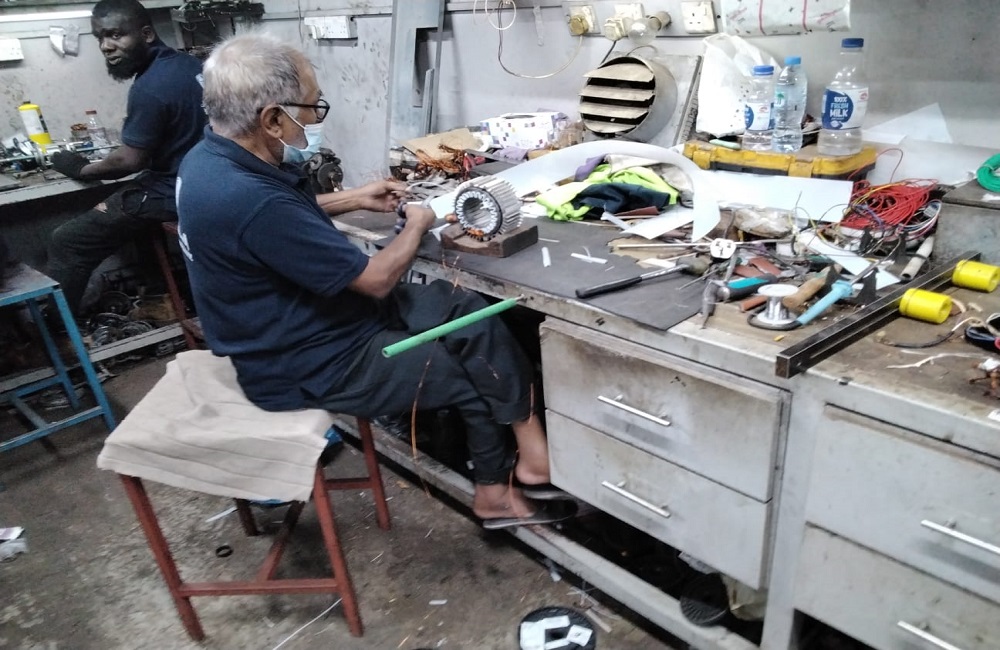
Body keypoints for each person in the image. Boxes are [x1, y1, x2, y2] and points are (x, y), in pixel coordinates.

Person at [176, 32, 573, 530]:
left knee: (460, 305)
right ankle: (493, 493)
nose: (315, 120)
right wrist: (418, 223)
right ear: (272, 119)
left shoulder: (208, 160)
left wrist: (354, 197)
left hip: (315, 321)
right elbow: (376, 280)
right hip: (304, 361)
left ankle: (533, 455)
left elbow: (275, 219)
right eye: (312, 108)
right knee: (465, 371)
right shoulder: (248, 197)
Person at [47, 0, 207, 316]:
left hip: (176, 191)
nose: (106, 46)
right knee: (135, 216)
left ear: (146, 34)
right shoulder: (190, 65)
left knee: (67, 241)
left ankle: (57, 334)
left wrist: (81, 168)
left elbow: (129, 161)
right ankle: (159, 299)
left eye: (116, 35)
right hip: (204, 179)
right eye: (100, 38)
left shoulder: (150, 87)